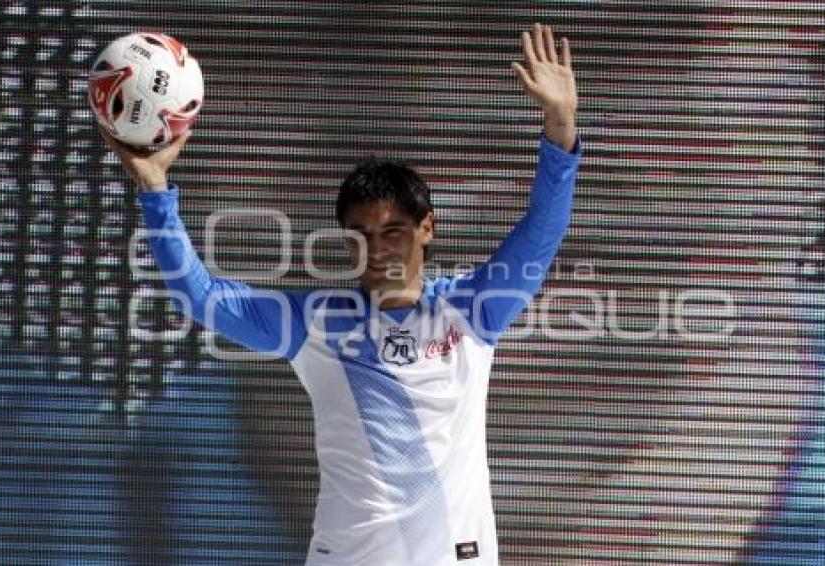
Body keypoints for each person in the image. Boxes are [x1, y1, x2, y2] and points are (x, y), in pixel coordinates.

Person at [102, 23, 580, 566]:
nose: (378, 249)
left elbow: (542, 230)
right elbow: (200, 296)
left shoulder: (470, 311)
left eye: (393, 231)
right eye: (362, 235)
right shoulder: (314, 322)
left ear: (427, 227)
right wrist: (154, 190)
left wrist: (560, 126)